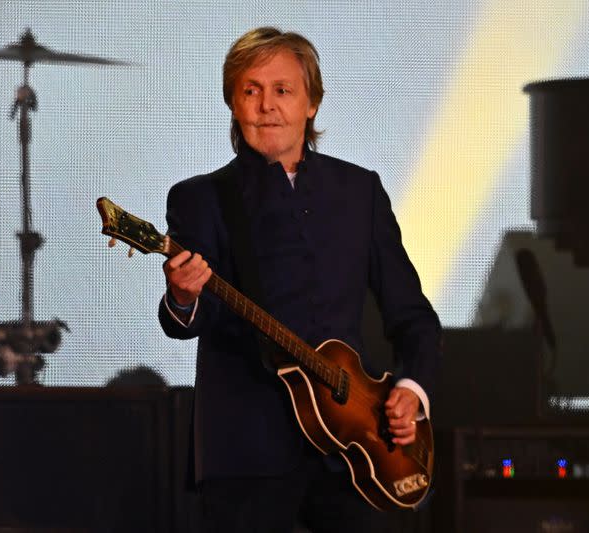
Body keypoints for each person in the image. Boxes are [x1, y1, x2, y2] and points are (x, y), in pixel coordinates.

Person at [158, 27, 441, 532]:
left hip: (359, 446)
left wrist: (411, 391)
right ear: (234, 103)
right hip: (247, 456)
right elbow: (188, 320)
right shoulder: (200, 198)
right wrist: (183, 296)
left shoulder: (360, 191)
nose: (267, 105)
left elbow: (411, 314)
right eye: (251, 90)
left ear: (312, 104)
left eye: (282, 90)